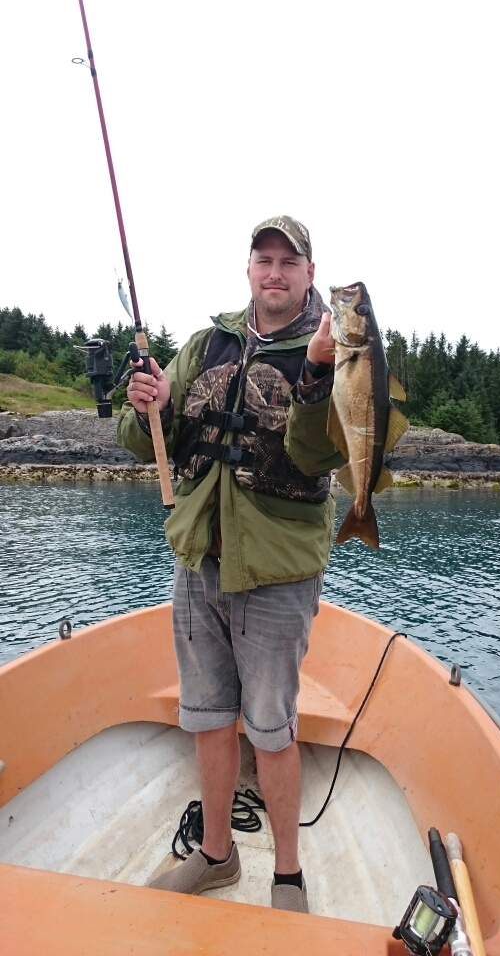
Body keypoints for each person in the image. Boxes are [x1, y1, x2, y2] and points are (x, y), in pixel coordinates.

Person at [117, 215, 344, 913]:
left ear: (308, 275)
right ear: (248, 268)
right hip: (198, 563)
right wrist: (145, 407)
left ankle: (287, 875)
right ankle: (216, 855)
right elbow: (141, 440)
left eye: (289, 262)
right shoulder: (205, 344)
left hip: (277, 575)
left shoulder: (335, 351)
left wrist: (318, 377)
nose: (274, 272)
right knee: (208, 718)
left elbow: (319, 455)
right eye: (263, 259)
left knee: (272, 730)